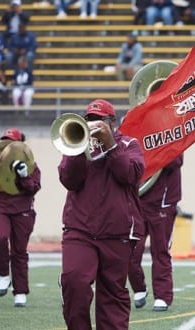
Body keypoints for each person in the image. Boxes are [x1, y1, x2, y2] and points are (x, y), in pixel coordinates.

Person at [58, 99, 145, 329]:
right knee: (74, 283)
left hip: (117, 233)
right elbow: (69, 180)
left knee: (113, 298)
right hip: (80, 230)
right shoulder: (75, 145)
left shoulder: (129, 144)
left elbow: (129, 176)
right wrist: (79, 151)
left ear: (112, 122)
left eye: (99, 120)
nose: (94, 124)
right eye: (90, 120)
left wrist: (110, 146)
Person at [0, 128, 41, 308]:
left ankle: (20, 292)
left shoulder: (31, 165)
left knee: (19, 252)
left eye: (11, 142)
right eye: (4, 142)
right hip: (0, 208)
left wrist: (23, 176)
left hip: (22, 211)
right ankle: (2, 273)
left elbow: (34, 188)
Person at [128, 154, 183, 312]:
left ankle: (162, 296)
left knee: (160, 251)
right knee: (131, 251)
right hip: (138, 202)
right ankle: (139, 287)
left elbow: (176, 160)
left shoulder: (168, 135)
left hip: (162, 205)